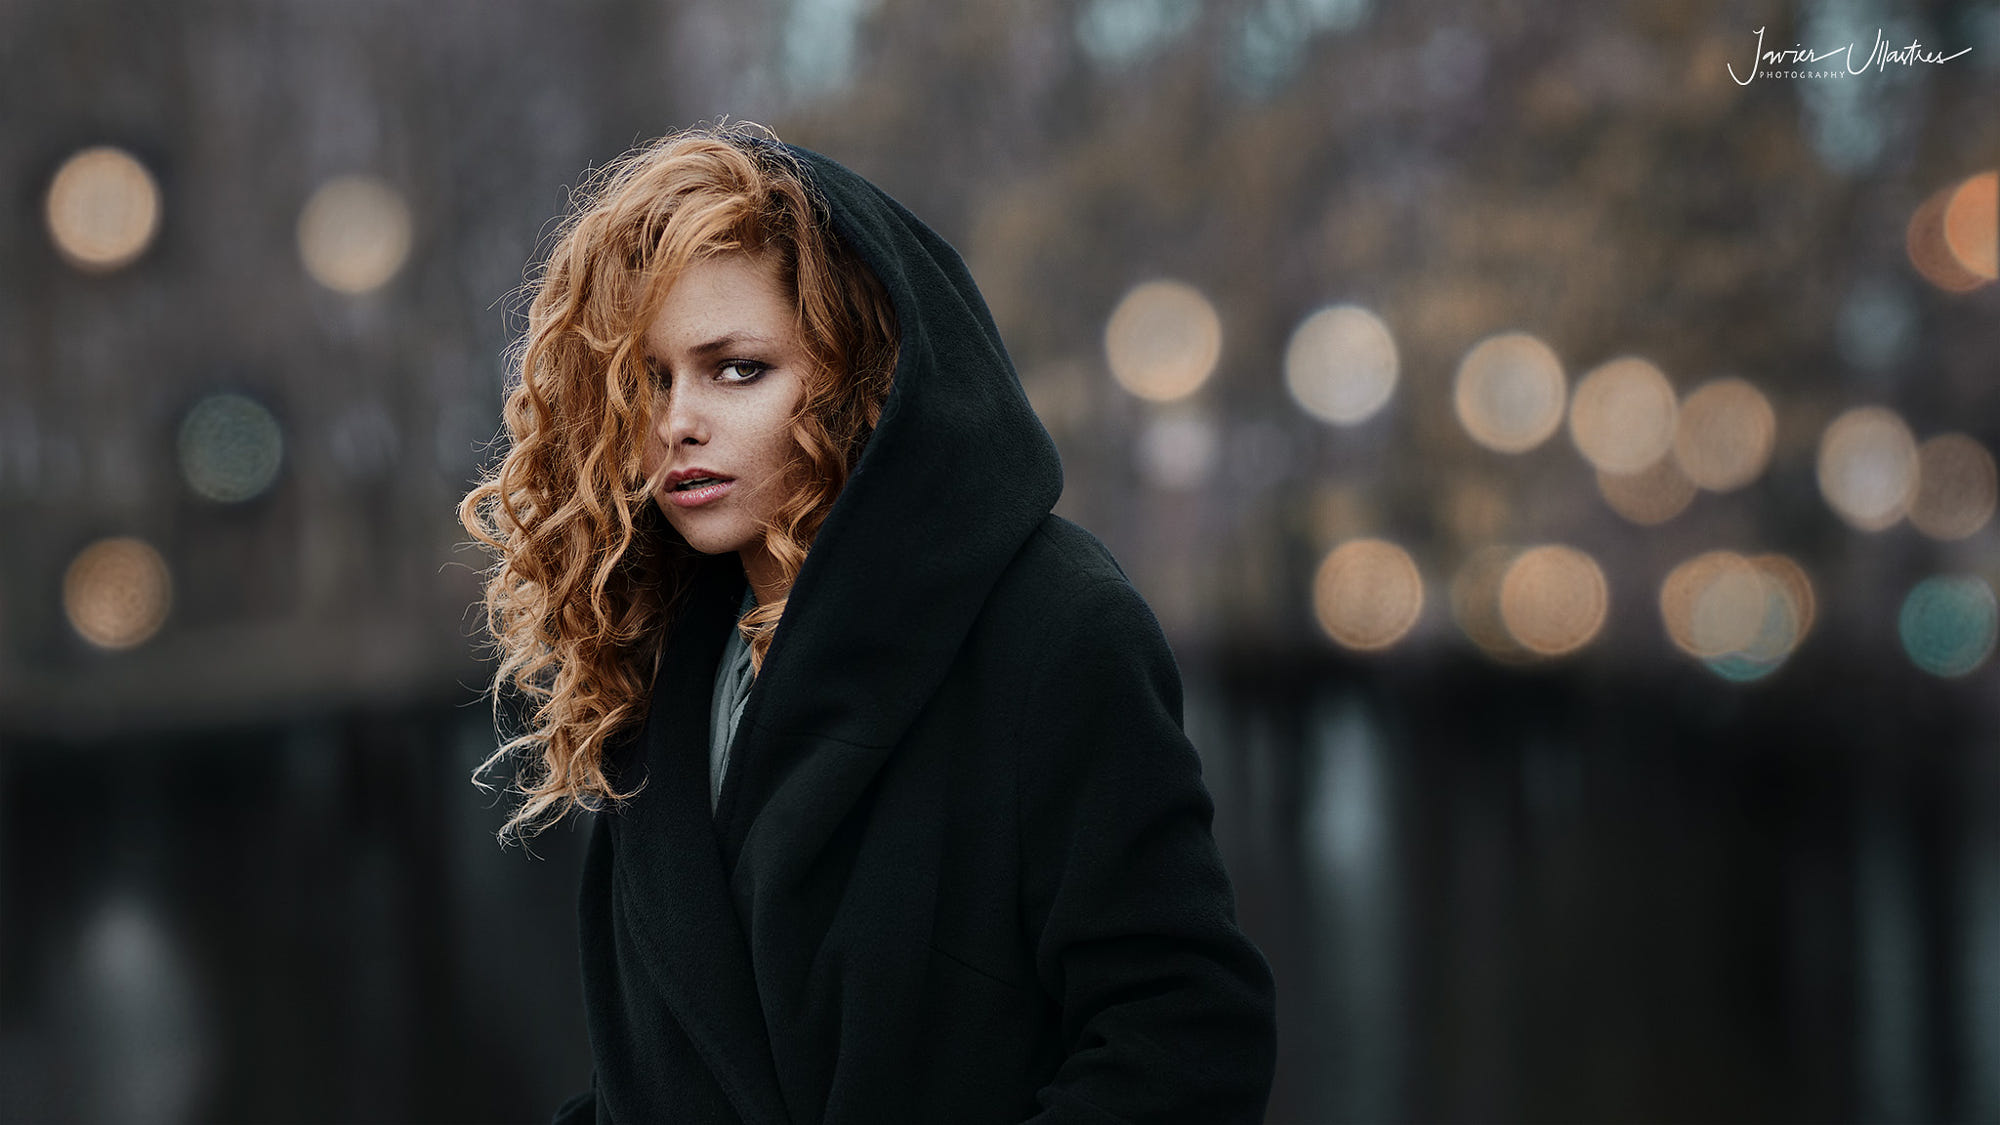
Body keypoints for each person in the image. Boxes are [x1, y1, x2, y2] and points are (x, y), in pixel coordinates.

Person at [458, 122, 1277, 1125]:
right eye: (649, 378)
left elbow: (1182, 1039)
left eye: (737, 369)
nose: (676, 421)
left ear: (856, 379)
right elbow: (667, 1078)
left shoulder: (1051, 621)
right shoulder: (661, 653)